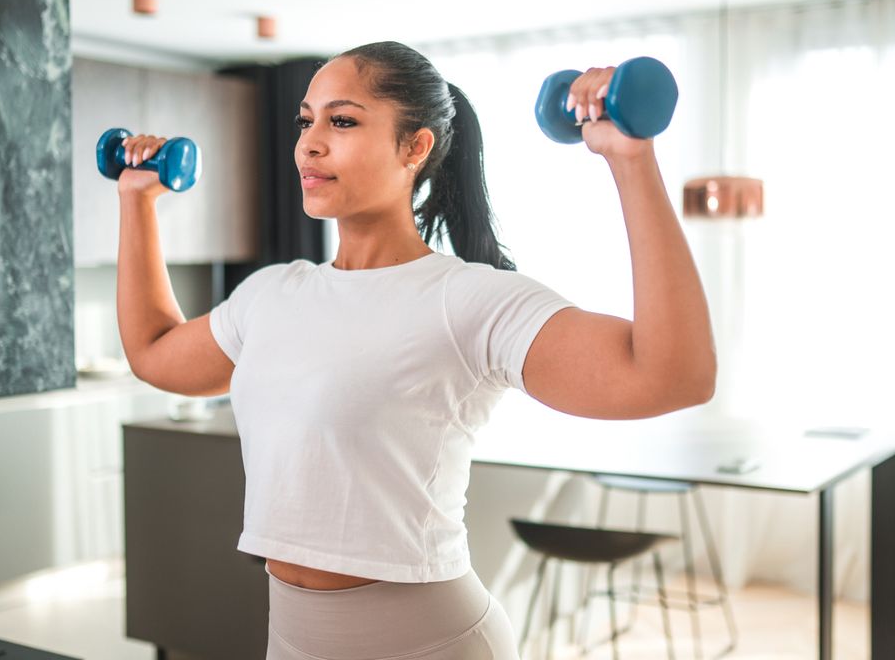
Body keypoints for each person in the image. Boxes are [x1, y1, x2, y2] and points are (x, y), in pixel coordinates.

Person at [114, 40, 716, 659]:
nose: (310, 143)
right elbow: (154, 351)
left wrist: (630, 159)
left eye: (342, 120)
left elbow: (674, 377)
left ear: (415, 146)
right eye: (306, 120)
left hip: (430, 642)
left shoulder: (468, 299)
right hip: (292, 639)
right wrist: (137, 201)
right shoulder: (271, 295)